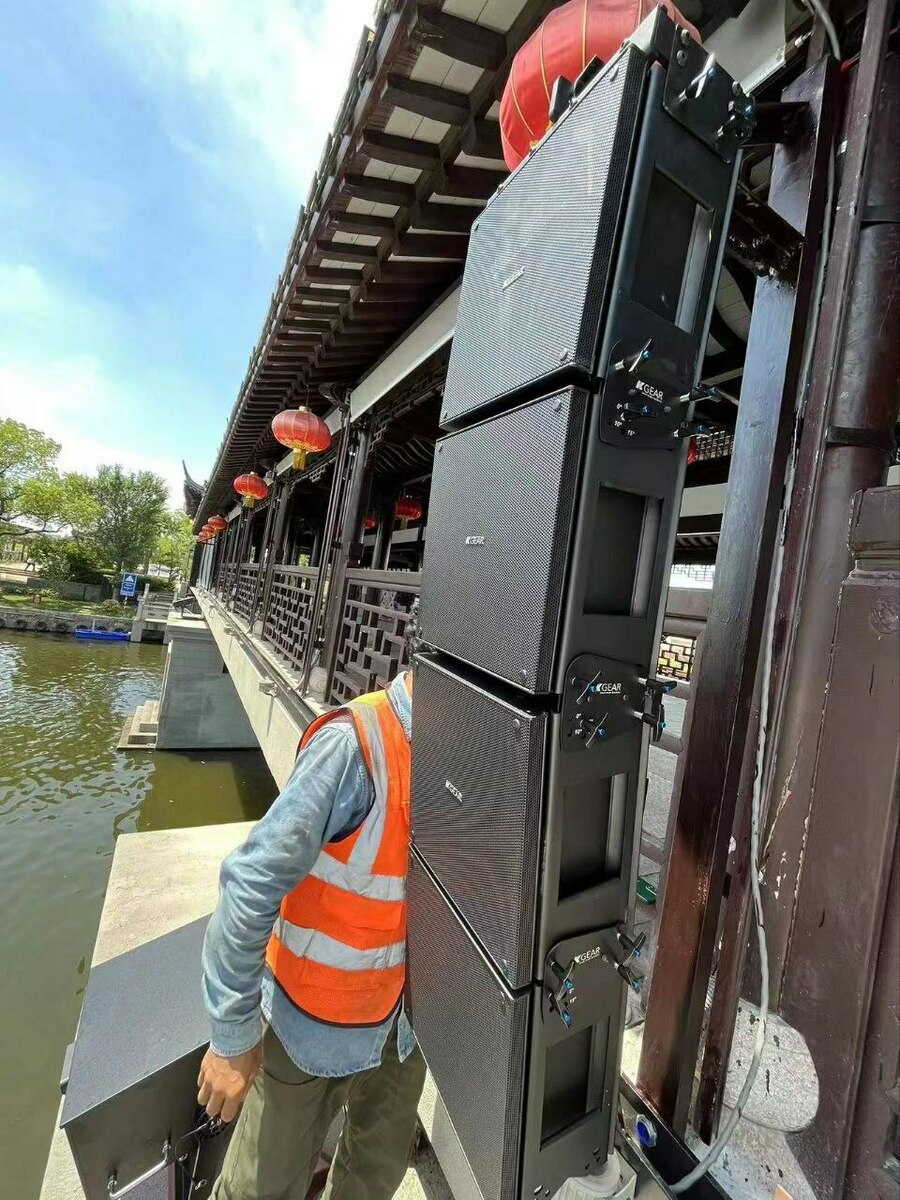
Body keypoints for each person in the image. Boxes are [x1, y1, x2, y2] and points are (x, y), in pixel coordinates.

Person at [198, 648, 425, 1199]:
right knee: (261, 1188)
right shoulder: (354, 746)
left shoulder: (475, 756)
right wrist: (232, 1036)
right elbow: (250, 884)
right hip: (309, 1030)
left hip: (402, 1032)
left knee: (373, 1176)